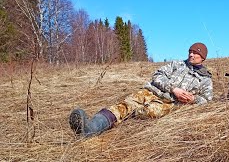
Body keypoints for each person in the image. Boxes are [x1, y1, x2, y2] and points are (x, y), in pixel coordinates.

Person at [69, 42, 213, 137]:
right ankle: (91, 127)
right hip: (150, 91)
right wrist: (173, 88)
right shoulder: (177, 64)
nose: (191, 55)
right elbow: (157, 75)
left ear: (203, 57)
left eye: (195, 53)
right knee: (126, 104)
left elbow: (207, 100)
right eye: (190, 51)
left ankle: (127, 116)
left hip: (169, 104)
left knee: (147, 112)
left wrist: (193, 99)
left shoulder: (205, 79)